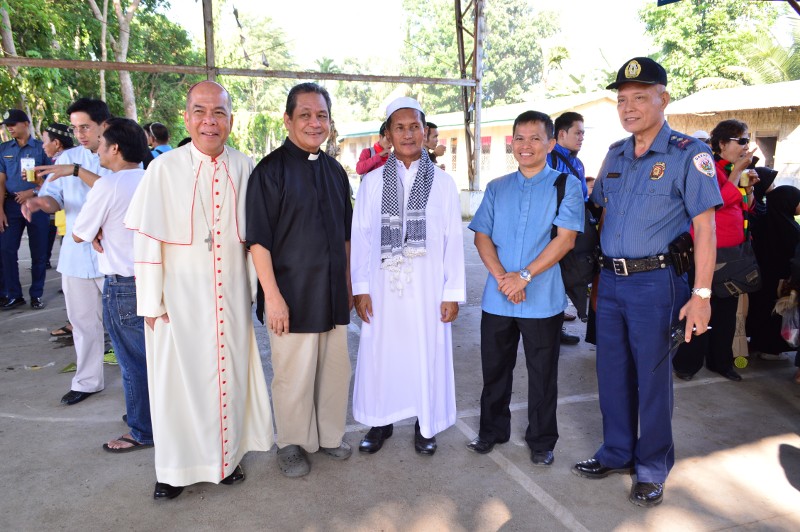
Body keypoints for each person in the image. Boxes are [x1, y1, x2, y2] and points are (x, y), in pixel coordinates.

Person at [572, 57, 722, 508]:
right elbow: (597, 209)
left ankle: (652, 466)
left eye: (640, 97)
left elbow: (707, 231)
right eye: (622, 100)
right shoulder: (616, 153)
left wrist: (701, 296)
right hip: (611, 283)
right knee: (611, 373)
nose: (629, 107)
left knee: (653, 379)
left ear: (663, 99)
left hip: (657, 283)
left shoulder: (687, 154)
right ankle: (617, 451)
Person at [124, 81, 274, 500]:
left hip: (228, 299)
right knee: (176, 384)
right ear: (187, 118)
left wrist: (252, 294)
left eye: (220, 112)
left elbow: (252, 240)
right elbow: (147, 241)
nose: (210, 121)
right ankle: (173, 471)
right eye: (201, 112)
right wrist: (150, 300)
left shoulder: (244, 166)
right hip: (178, 300)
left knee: (228, 379)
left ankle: (224, 462)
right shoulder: (163, 169)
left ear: (230, 119)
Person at [246, 82, 352, 478]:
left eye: (321, 115)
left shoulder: (334, 171)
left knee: (334, 370)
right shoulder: (270, 171)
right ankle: (290, 442)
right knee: (293, 375)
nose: (314, 122)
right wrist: (271, 297)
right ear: (288, 119)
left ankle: (328, 436)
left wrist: (347, 287)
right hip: (290, 296)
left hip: (332, 295)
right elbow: (257, 241)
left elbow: (345, 236)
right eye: (305, 115)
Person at [466, 110, 583, 465]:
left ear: (550, 143)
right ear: (511, 144)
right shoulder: (497, 187)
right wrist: (505, 278)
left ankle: (541, 440)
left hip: (542, 299)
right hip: (498, 299)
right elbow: (481, 236)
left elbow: (565, 241)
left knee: (542, 374)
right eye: (519, 138)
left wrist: (524, 277)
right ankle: (493, 430)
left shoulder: (567, 185)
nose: (526, 145)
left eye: (535, 138)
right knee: (495, 370)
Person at [351, 97, 465, 457]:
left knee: (425, 352)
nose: (407, 133)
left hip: (429, 288)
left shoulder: (444, 184)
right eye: (399, 127)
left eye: (414, 126)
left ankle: (424, 424)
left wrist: (452, 293)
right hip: (383, 288)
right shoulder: (370, 183)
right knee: (381, 353)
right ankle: (380, 421)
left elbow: (452, 242)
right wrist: (361, 289)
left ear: (425, 132)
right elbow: (362, 239)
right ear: (387, 135)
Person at [71, 117, 153, 453]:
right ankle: (151, 417)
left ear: (115, 148)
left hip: (123, 285)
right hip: (155, 279)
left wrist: (96, 233)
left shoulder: (109, 184)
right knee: (155, 358)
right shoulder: (152, 179)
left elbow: (79, 233)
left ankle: (142, 430)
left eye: (101, 141)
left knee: (132, 362)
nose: (98, 148)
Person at [24, 98, 112, 406]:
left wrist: (74, 171)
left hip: (113, 256)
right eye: (75, 128)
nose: (80, 134)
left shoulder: (122, 153)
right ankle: (88, 381)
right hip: (75, 256)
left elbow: (119, 191)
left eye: (86, 126)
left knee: (127, 324)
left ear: (105, 125)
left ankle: (140, 382)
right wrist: (39, 203)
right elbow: (54, 199)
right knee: (83, 322)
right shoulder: (67, 158)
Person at [673, 119, 758, 382]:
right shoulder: (707, 167)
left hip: (734, 253)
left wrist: (749, 187)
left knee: (726, 313)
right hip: (708, 253)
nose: (745, 147)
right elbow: (715, 203)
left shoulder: (734, 170)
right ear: (722, 144)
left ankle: (720, 361)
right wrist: (736, 176)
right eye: (741, 141)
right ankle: (687, 364)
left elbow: (746, 208)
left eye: (747, 141)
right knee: (700, 306)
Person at [0, 109, 50, 311]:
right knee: (6, 249)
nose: (10, 128)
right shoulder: (4, 149)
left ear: (26, 123)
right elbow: (1, 181)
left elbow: (51, 179)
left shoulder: (41, 148)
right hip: (11, 205)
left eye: (13, 124)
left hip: (37, 204)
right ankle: (13, 294)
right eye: (7, 125)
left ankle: (36, 294)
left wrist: (32, 191)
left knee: (38, 252)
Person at [748, 183, 800, 362]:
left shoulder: (763, 221)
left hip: (759, 277)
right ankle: (770, 347)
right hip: (780, 281)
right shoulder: (790, 228)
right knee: (775, 313)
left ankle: (757, 342)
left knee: (760, 310)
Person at [551, 111, 589, 340]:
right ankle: (553, 328)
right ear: (562, 133)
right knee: (554, 276)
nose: (581, 137)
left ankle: (557, 322)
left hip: (573, 230)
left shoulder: (578, 163)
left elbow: (583, 197)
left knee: (569, 276)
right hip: (554, 230)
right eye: (578, 132)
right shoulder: (550, 159)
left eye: (583, 133)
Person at [41, 124, 74, 270]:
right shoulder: (60, 160)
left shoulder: (64, 160)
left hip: (69, 220)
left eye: (45, 141)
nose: (43, 146)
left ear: (56, 143)